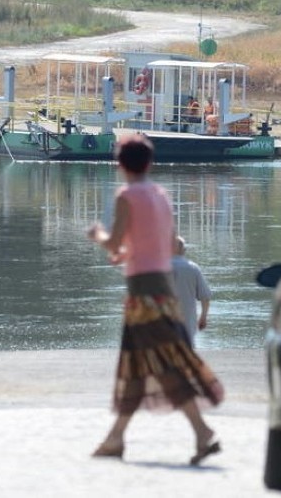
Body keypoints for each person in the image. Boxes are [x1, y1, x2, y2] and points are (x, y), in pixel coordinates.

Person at [87, 134, 224, 466]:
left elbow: (114, 241)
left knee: (159, 363)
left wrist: (98, 236)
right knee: (137, 365)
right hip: (160, 290)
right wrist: (128, 254)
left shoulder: (127, 196)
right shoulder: (160, 195)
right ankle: (115, 438)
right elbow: (160, 244)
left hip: (142, 293)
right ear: (149, 163)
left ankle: (203, 433)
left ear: (120, 164)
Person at [172, 236, 212, 348]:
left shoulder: (160, 268)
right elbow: (205, 297)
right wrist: (203, 317)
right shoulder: (193, 268)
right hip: (187, 321)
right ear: (184, 250)